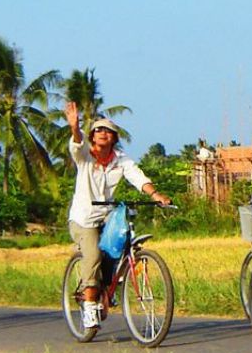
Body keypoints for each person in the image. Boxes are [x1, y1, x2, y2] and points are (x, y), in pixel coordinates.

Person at [64, 103, 171, 329]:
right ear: (92, 136)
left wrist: (155, 195)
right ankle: (90, 303)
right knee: (92, 255)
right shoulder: (85, 156)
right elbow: (77, 144)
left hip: (107, 216)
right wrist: (74, 127)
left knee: (121, 245)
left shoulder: (120, 160)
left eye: (108, 131)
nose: (103, 133)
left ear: (114, 138)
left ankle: (111, 284)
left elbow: (138, 177)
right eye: (99, 130)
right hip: (84, 219)